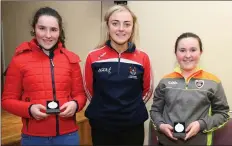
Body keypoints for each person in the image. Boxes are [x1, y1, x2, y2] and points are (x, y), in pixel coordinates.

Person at [1, 7, 87, 146]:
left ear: (59, 32)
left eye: (53, 29)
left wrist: (75, 104)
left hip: (68, 136)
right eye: (42, 28)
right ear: (34, 29)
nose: (48, 35)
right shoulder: (19, 60)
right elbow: (6, 101)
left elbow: (80, 95)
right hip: (33, 138)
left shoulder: (70, 59)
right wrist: (29, 109)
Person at [83, 4, 154, 145]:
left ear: (133, 28)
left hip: (133, 126)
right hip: (102, 126)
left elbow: (147, 90)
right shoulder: (93, 56)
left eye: (127, 24)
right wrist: (105, 108)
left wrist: (129, 109)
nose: (121, 29)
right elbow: (88, 89)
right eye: (115, 23)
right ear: (108, 26)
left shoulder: (143, 57)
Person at [150, 32, 230, 145]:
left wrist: (200, 124)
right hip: (166, 142)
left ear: (200, 52)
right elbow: (155, 111)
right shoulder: (165, 81)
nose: (188, 55)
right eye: (182, 50)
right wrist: (161, 125)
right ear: (176, 53)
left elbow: (223, 114)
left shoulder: (213, 82)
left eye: (193, 50)